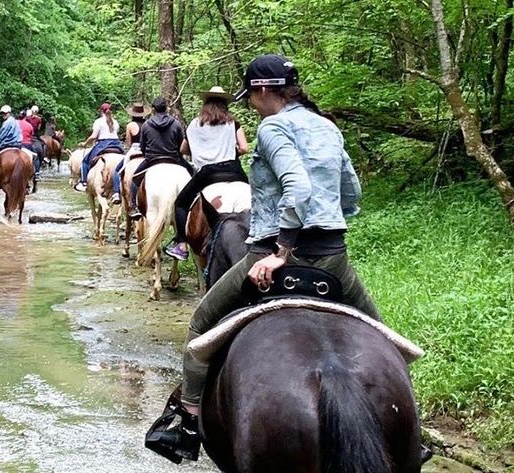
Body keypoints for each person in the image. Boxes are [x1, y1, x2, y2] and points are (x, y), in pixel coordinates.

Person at [148, 54, 383, 462]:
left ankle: (186, 422)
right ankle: (406, 434)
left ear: (262, 90)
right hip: (332, 258)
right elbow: (351, 193)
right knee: (382, 336)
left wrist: (282, 253)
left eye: (251, 96)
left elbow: (297, 187)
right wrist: (326, 225)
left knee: (202, 325)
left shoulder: (273, 128)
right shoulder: (327, 126)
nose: (251, 105)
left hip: (273, 252)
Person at [164, 86, 249, 261]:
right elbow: (244, 148)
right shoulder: (233, 123)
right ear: (225, 104)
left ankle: (181, 245)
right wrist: (230, 151)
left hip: (207, 174)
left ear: (205, 103)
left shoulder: (195, 125)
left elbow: (183, 149)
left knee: (180, 204)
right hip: (234, 171)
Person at [128, 97, 194, 219]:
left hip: (152, 160)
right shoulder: (176, 124)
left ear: (153, 109)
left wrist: (149, 155)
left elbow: (142, 146)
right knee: (194, 175)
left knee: (135, 179)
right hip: (174, 159)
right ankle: (195, 204)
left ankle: (133, 206)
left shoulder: (147, 125)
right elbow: (181, 145)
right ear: (166, 108)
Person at [74, 103, 124, 192]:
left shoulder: (99, 121)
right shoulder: (115, 122)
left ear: (101, 111)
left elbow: (94, 136)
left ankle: (83, 182)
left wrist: (85, 143)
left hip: (103, 144)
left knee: (85, 162)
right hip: (117, 144)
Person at [110, 101, 150, 204]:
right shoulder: (148, 123)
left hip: (134, 149)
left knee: (117, 170)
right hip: (146, 150)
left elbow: (128, 143)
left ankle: (116, 193)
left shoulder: (130, 125)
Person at [17, 110, 41, 176]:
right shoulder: (29, 125)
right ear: (25, 117)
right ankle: (37, 173)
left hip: (16, 144)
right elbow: (31, 135)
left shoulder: (15, 123)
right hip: (27, 144)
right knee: (36, 157)